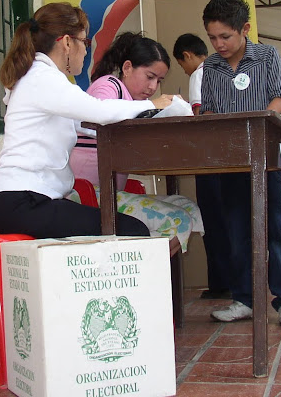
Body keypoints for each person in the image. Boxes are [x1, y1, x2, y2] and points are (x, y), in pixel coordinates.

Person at [0, 3, 173, 238]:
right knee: (132, 230)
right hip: (25, 203)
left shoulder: (41, 78)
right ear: (66, 43)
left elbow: (91, 126)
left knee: (123, 227)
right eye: (85, 43)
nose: (87, 52)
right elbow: (99, 111)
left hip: (26, 201)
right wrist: (153, 105)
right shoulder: (42, 77)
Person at [200, 0, 281, 325]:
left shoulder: (267, 56)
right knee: (236, 229)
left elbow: (280, 98)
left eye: (225, 36)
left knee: (275, 229)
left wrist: (258, 127)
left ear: (244, 29)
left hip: (268, 155)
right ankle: (243, 298)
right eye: (212, 37)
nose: (218, 44)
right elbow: (211, 108)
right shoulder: (211, 66)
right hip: (232, 160)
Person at [68, 32, 203, 250]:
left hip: (111, 193)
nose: (153, 87)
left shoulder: (132, 100)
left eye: (158, 81)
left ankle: (144, 268)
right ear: (128, 67)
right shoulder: (108, 85)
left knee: (189, 208)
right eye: (149, 77)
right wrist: (153, 107)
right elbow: (102, 115)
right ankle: (144, 272)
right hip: (87, 194)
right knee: (179, 218)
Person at [173, 33, 232, 299]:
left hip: (210, 158)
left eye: (180, 63)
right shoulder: (224, 69)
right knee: (231, 219)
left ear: (187, 55)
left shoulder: (199, 74)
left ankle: (221, 283)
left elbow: (200, 114)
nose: (183, 70)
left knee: (213, 220)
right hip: (230, 156)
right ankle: (236, 280)